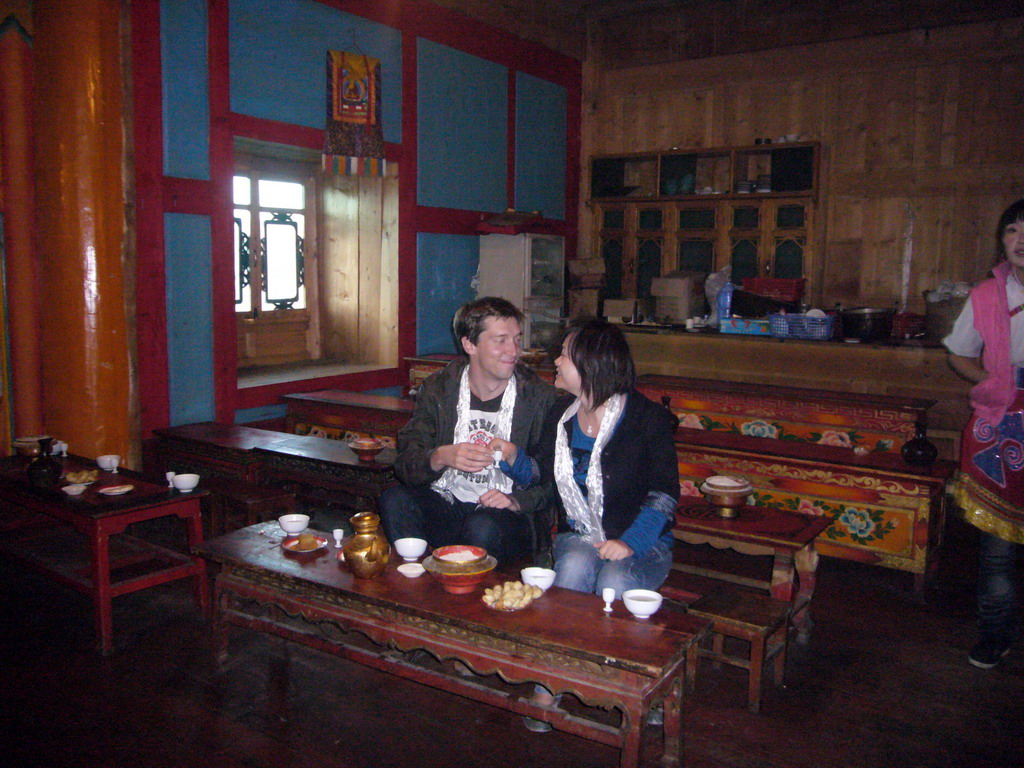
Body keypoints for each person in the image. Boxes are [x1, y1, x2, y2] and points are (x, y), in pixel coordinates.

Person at [509, 318, 679, 731]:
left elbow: (664, 495)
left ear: (591, 364)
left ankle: (634, 685)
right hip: (581, 535)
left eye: (565, 354)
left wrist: (630, 542)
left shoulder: (647, 420)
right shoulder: (560, 416)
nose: (557, 360)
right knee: (571, 569)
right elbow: (543, 475)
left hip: (645, 541)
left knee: (616, 578)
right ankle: (552, 681)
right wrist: (509, 457)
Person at [379, 297, 556, 567]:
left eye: (517, 339)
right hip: (449, 499)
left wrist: (515, 501)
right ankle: (414, 585)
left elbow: (553, 477)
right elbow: (406, 463)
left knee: (481, 525)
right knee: (395, 499)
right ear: (469, 344)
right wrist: (439, 457)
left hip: (510, 517)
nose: (514, 350)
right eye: (500, 340)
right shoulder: (440, 389)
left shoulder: (539, 397)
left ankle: (465, 603)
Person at [944, 198, 1024, 669]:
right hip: (1001, 429)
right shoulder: (985, 296)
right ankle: (995, 635)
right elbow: (959, 353)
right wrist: (992, 382)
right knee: (998, 552)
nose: (1021, 241)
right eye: (1012, 230)